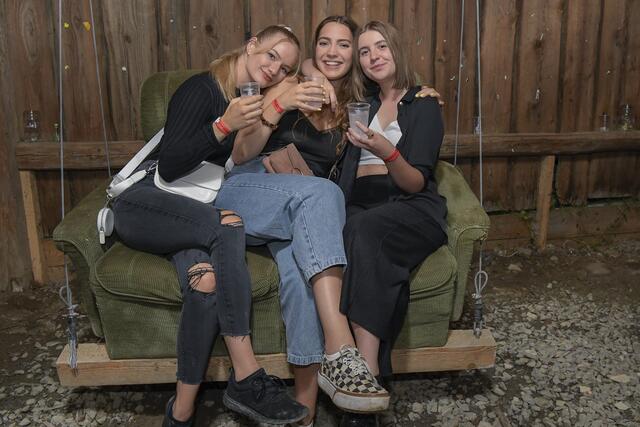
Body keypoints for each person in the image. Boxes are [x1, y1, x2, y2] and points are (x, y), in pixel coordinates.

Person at [228, 16, 442, 427]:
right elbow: (239, 155)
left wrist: (418, 93)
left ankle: (303, 412)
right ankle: (343, 350)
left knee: (301, 277)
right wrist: (282, 100)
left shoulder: (353, 107)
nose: (332, 52)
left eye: (345, 46)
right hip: (255, 189)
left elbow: (399, 111)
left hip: (299, 210)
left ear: (355, 60)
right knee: (324, 196)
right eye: (324, 43)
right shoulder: (285, 83)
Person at [110, 25, 309, 427]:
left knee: (205, 285)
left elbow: (223, 167)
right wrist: (223, 124)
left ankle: (179, 414)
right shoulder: (201, 89)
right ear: (250, 45)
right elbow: (171, 165)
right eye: (270, 55)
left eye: (284, 67)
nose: (275, 69)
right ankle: (247, 376)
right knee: (228, 225)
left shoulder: (247, 100)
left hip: (187, 210)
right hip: (144, 202)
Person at [336, 20, 449, 425]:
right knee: (354, 231)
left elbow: (417, 181)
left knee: (365, 230)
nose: (373, 57)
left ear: (396, 50)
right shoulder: (358, 103)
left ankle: (365, 375)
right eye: (364, 51)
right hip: (361, 206)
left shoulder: (422, 103)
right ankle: (374, 377)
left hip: (410, 203)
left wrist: (386, 151)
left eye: (380, 47)